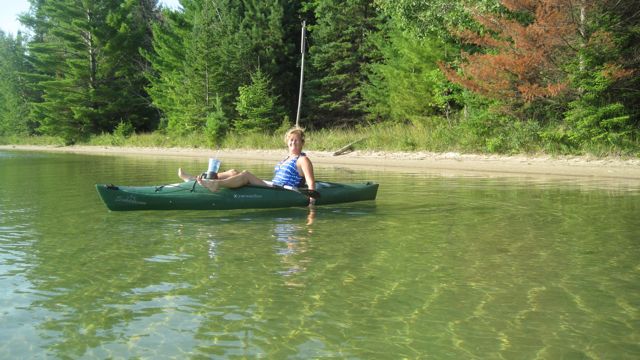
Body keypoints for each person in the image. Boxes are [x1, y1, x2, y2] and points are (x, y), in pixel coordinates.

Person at [178, 127, 317, 205]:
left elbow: (311, 182)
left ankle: (217, 184)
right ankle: (198, 179)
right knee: (233, 171)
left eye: (297, 140)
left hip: (283, 190)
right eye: (291, 140)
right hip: (274, 185)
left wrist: (311, 201)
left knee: (246, 175)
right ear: (287, 142)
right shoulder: (286, 159)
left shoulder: (303, 160)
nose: (293, 143)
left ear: (302, 142)